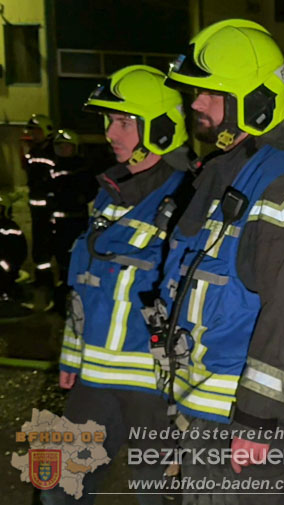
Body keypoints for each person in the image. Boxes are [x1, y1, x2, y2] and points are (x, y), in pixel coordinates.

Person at [155, 18, 284, 504]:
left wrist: (256, 418)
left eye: (210, 94)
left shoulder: (283, 184)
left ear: (256, 101)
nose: (195, 104)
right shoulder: (226, 174)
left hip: (244, 428)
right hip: (209, 415)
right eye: (195, 93)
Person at [47, 65, 192, 505]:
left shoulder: (192, 196)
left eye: (124, 121)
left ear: (162, 127)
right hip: (95, 381)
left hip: (156, 387)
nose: (112, 131)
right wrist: (72, 354)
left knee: (157, 498)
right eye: (110, 120)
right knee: (57, 489)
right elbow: (84, 285)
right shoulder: (111, 191)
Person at [48, 129, 97, 313]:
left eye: (66, 145)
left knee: (76, 261)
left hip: (76, 222)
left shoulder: (82, 167)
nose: (62, 149)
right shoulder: (53, 166)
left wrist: (80, 198)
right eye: (59, 145)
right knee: (60, 262)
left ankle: (76, 300)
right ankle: (60, 301)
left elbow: (91, 189)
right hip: (57, 223)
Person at [22, 113, 58, 290]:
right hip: (36, 208)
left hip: (51, 208)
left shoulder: (54, 151)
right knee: (39, 246)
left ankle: (54, 282)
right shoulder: (34, 151)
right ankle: (42, 279)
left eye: (36, 131)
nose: (33, 135)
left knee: (52, 244)